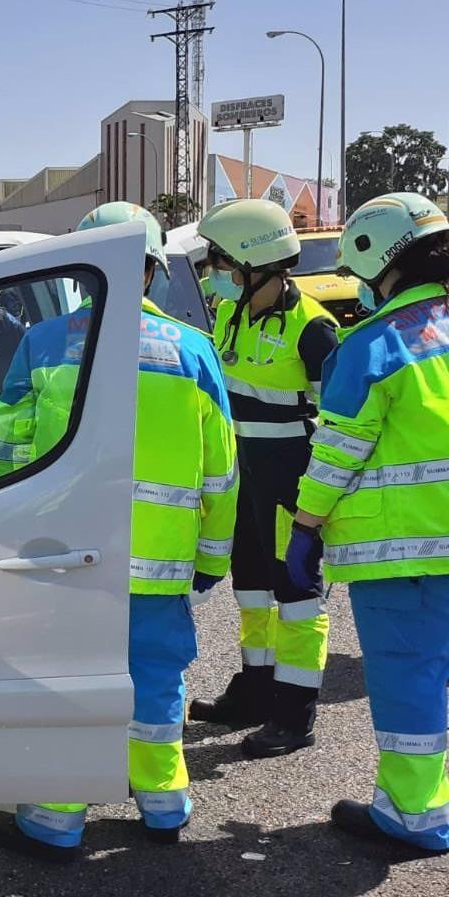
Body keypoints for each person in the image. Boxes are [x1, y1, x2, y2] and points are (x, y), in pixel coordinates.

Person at [0, 202, 237, 860]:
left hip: (68, 559)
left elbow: (5, 452)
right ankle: (163, 802)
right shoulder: (194, 351)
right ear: (152, 271)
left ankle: (55, 819)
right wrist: (211, 561)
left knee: (69, 679)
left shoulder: (43, 343)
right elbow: (221, 474)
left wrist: (10, 533)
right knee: (156, 679)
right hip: (161, 560)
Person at [286, 192, 449, 854]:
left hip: (404, 553)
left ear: (375, 259)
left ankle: (413, 817)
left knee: (411, 678)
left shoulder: (374, 346)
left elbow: (335, 456)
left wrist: (304, 530)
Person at [188, 199, 339, 759]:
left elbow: (338, 427)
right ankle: (255, 687)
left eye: (228, 268)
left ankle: (294, 713)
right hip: (245, 478)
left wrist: (316, 508)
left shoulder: (314, 331)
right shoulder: (229, 315)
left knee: (296, 596)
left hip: (289, 484)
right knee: (250, 586)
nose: (221, 279)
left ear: (258, 265)